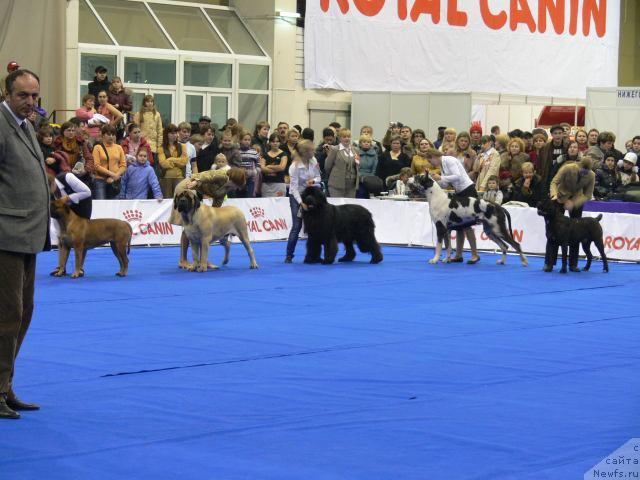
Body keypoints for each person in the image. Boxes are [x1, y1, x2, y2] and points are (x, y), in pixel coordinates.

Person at [0, 69, 50, 418]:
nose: (31, 102)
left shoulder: (26, 125)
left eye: (34, 96)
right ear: (7, 94)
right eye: (23, 96)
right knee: (7, 315)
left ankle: (4, 385)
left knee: (23, 314)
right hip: (5, 236)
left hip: (28, 236)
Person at [424, 148, 480, 264]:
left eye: (430, 161)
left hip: (468, 190)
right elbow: (445, 183)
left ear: (433, 157)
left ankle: (475, 254)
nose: (431, 164)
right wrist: (434, 179)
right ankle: (458, 255)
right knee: (459, 225)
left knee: (468, 225)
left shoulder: (449, 160)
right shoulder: (442, 166)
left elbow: (458, 176)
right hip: (459, 192)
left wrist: (441, 177)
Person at [285, 139, 322, 263]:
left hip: (311, 195)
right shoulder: (294, 167)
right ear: (305, 152)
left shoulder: (314, 161)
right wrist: (301, 203)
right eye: (312, 150)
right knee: (297, 225)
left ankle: (314, 255)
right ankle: (289, 255)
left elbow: (319, 177)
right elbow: (293, 188)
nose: (314, 151)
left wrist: (314, 181)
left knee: (314, 226)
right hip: (297, 196)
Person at [48, 153, 93, 219]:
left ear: (53, 183)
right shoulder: (50, 191)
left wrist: (68, 198)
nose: (49, 192)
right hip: (67, 212)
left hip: (83, 205)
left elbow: (87, 192)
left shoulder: (68, 177)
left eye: (49, 189)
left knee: (82, 228)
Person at [92, 124, 127, 199]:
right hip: (100, 180)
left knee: (114, 205)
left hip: (115, 181)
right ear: (103, 135)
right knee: (101, 205)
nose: (111, 136)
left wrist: (115, 176)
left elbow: (123, 165)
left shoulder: (119, 147)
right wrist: (112, 174)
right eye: (108, 134)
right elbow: (96, 166)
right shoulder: (97, 147)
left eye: (113, 134)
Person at [325, 128, 359, 198]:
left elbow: (357, 166)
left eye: (348, 137)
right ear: (340, 138)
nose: (347, 139)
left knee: (349, 207)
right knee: (338, 206)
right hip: (336, 185)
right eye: (344, 137)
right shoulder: (334, 149)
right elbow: (327, 166)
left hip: (352, 186)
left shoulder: (356, 150)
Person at [157, 124, 188, 198]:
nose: (174, 135)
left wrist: (171, 160)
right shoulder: (161, 148)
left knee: (179, 199)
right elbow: (163, 164)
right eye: (171, 133)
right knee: (166, 200)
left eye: (175, 133)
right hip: (165, 178)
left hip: (179, 177)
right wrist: (177, 162)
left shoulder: (182, 146)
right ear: (166, 134)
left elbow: (184, 162)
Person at [260, 133, 288, 197]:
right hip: (266, 184)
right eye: (273, 141)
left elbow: (282, 167)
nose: (275, 143)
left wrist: (269, 166)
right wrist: (276, 168)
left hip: (279, 184)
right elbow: (262, 169)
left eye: (277, 141)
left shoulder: (283, 154)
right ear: (269, 143)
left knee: (279, 205)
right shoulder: (265, 154)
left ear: (280, 143)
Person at [238, 131, 260, 198]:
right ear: (240, 140)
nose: (247, 141)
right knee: (238, 198)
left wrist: (254, 172)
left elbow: (258, 165)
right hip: (238, 179)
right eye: (245, 140)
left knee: (248, 198)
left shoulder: (254, 152)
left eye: (249, 140)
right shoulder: (236, 151)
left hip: (250, 179)